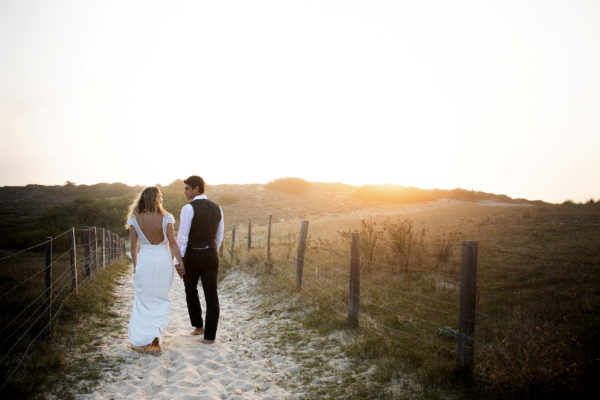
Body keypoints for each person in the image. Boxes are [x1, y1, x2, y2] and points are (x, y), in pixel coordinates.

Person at [126, 186, 184, 352]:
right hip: (163, 259)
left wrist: (136, 268)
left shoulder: (134, 219)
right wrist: (180, 262)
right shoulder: (167, 218)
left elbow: (133, 247)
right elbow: (172, 243)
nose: (162, 198)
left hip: (145, 260)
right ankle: (156, 333)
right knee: (162, 298)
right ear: (157, 199)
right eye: (160, 196)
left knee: (144, 300)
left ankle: (144, 338)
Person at [175, 175, 224, 344]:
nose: (185, 192)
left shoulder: (188, 208)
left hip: (193, 255)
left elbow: (183, 237)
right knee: (211, 294)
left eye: (187, 188)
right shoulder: (218, 208)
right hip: (211, 255)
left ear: (196, 188)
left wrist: (178, 261)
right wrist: (211, 250)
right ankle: (209, 337)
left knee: (190, 289)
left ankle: (199, 326)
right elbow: (219, 236)